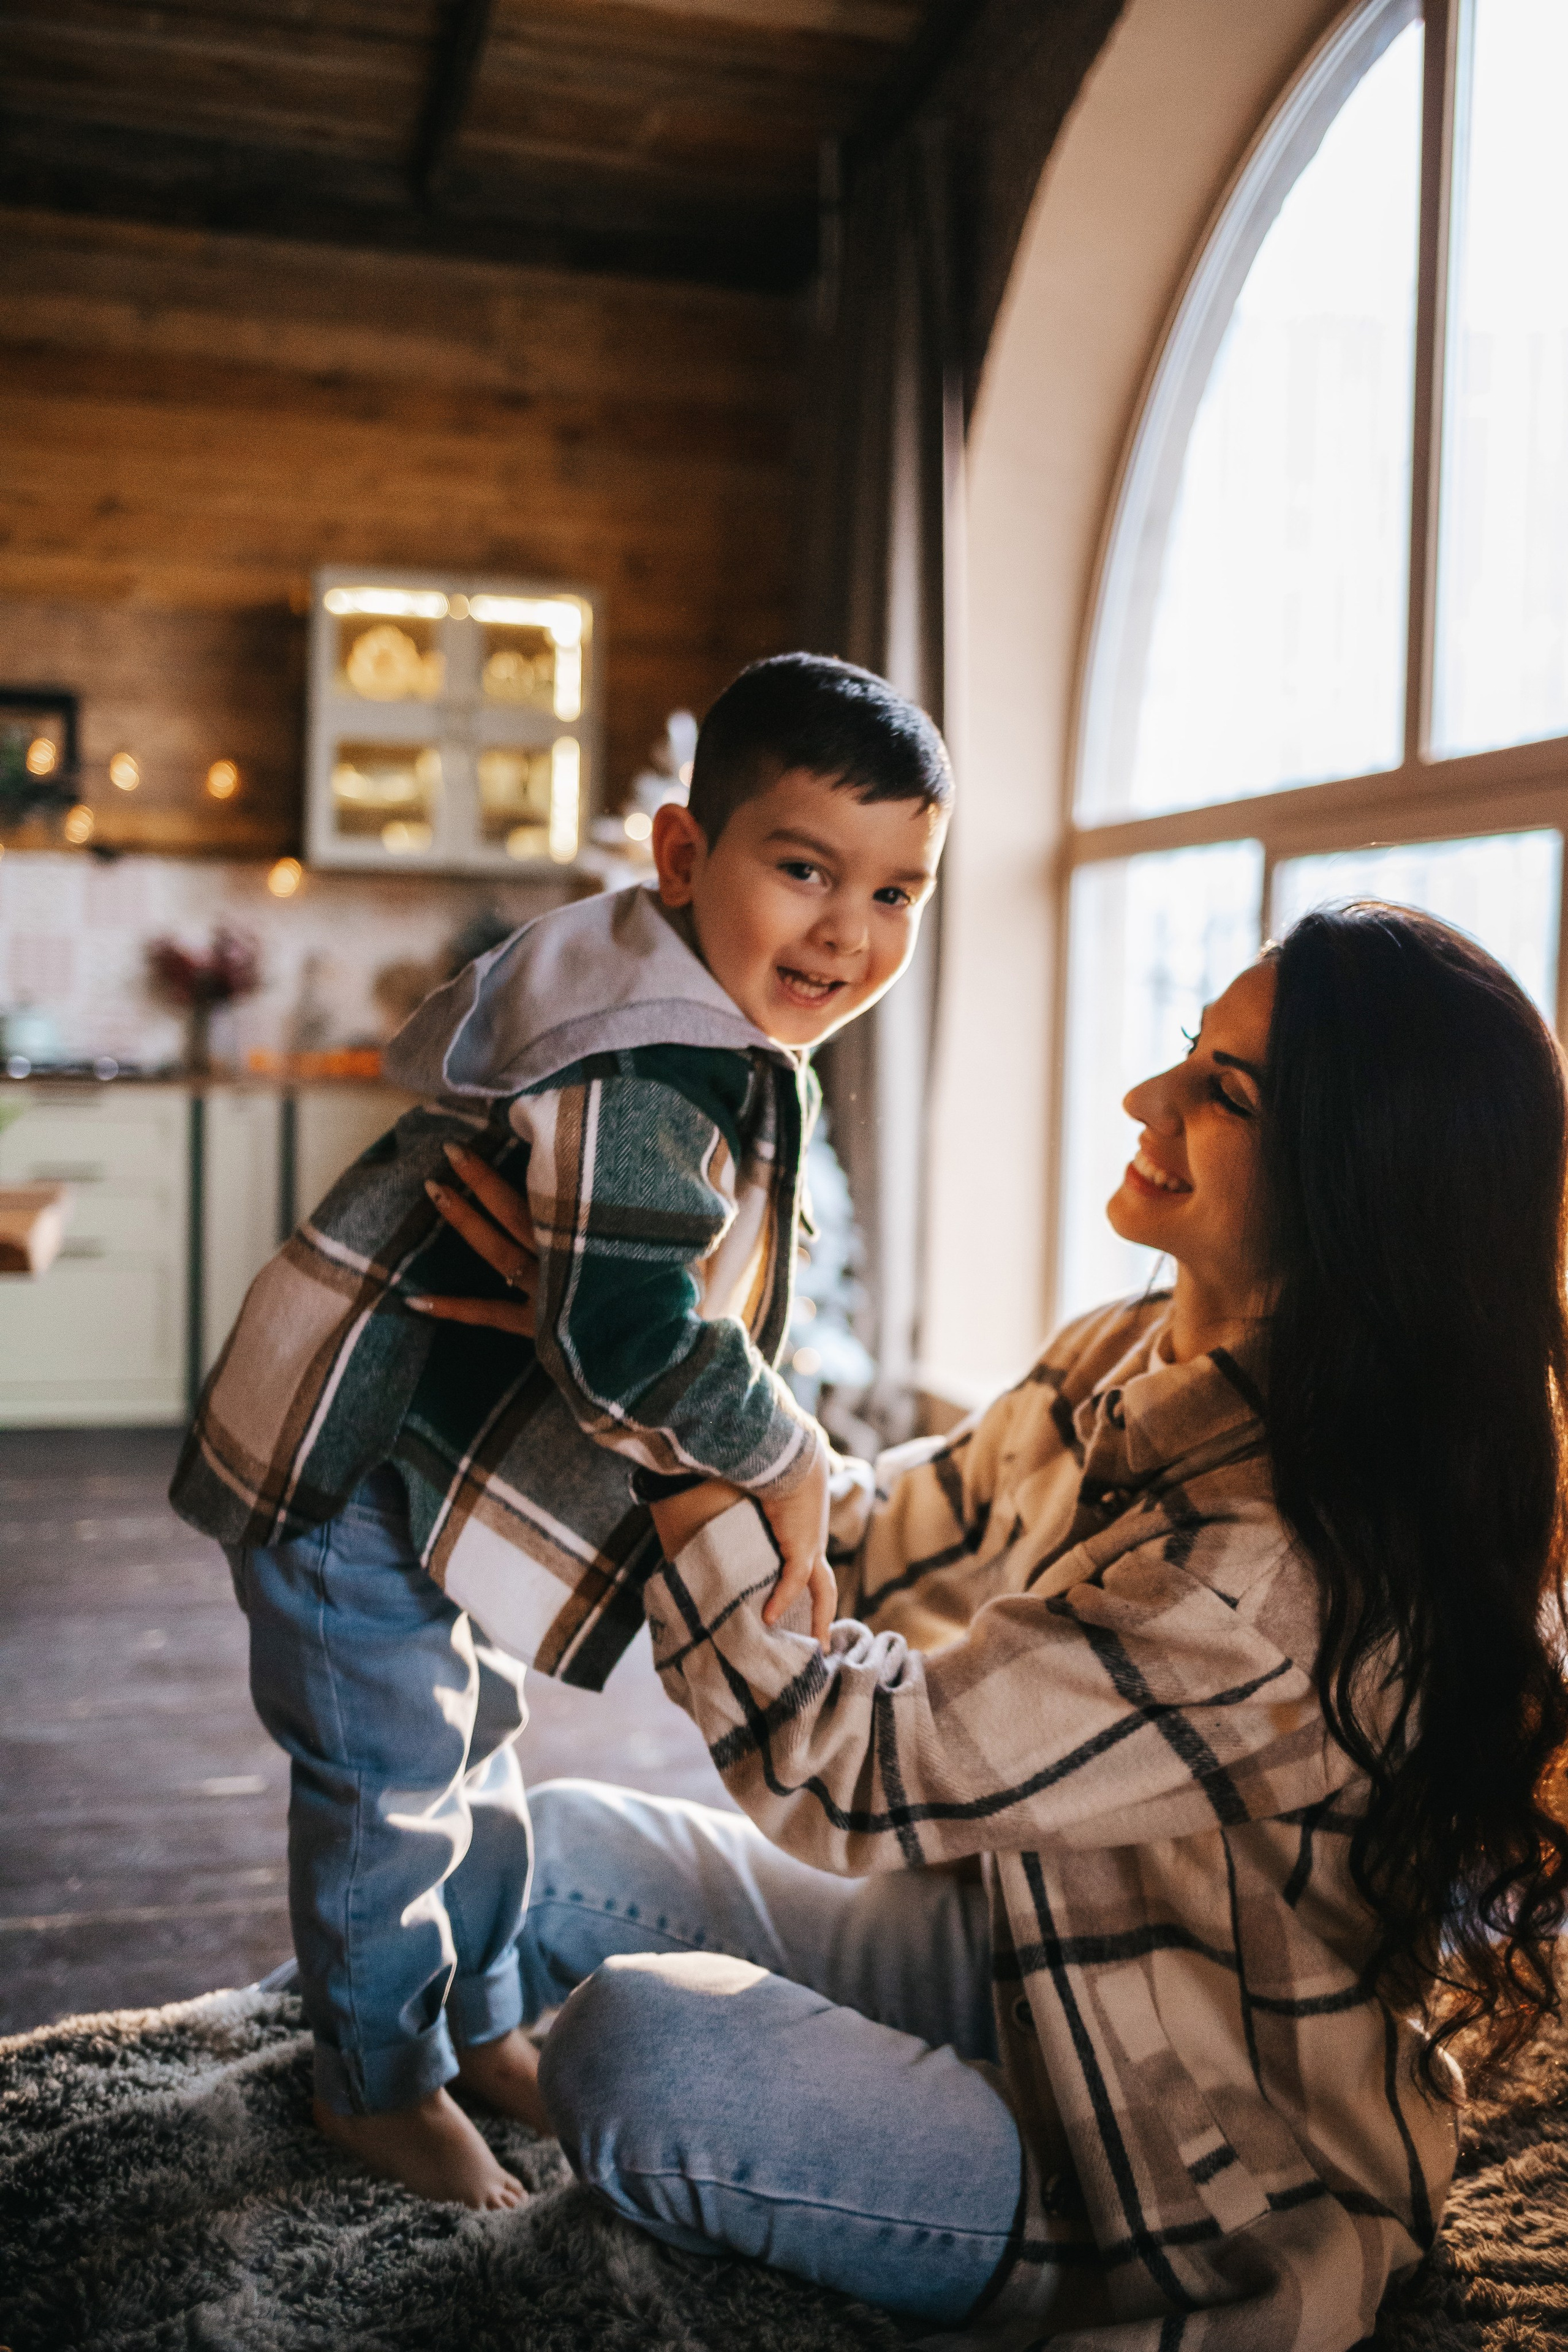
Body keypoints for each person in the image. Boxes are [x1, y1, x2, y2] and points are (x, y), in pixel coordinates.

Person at [418, 904, 1568, 2348]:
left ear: (1363, 1182)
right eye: (1186, 1054)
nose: (1146, 1103)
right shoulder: (1123, 1348)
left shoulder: (1274, 1567)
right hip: (1020, 1951)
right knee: (551, 1845)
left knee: (641, 2049)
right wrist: (644, 1331)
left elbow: (846, 1766)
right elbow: (871, 1530)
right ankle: (431, 2065)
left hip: (1165, 2158)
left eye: (1224, 1093)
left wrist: (656, 1425)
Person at [168, 653, 952, 2208]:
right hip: (347, 1469)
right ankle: (373, 2083)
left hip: (414, 1468)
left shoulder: (698, 1010)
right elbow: (622, 1345)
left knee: (477, 1747)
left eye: (895, 893)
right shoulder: (651, 1054)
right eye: (804, 869)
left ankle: (477, 2022)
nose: (847, 932)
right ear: (682, 857)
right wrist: (786, 1444)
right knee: (388, 1782)